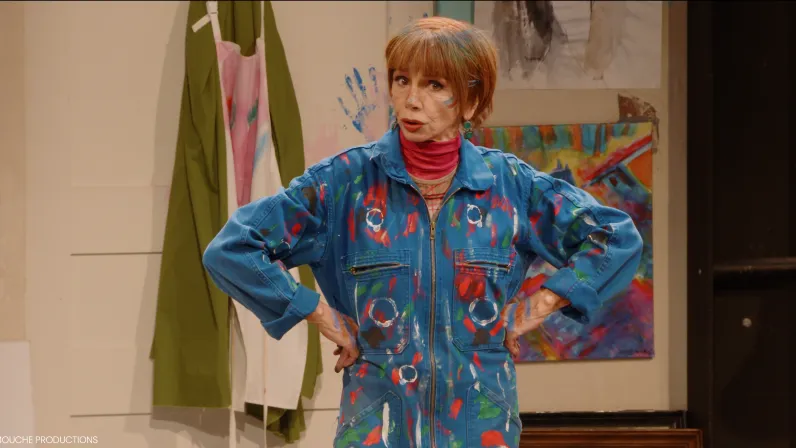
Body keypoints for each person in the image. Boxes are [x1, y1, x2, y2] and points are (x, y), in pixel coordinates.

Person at [202, 16, 643, 448]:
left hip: (479, 428)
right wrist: (318, 313)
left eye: (435, 85)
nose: (411, 100)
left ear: (471, 101)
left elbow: (616, 238)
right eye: (401, 80)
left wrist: (540, 304)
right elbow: (233, 249)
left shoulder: (511, 188)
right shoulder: (343, 185)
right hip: (377, 428)